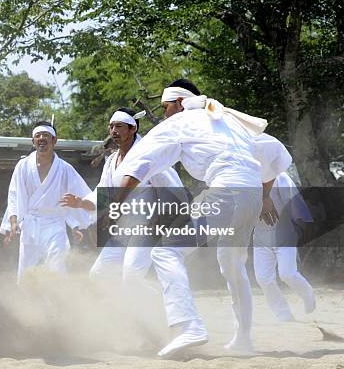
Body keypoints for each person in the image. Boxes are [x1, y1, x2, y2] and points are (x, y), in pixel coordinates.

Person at [114, 78, 275, 356]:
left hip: (227, 191)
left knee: (165, 253)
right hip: (251, 195)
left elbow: (142, 162)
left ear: (178, 103)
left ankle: (190, 326)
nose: (164, 114)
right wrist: (265, 195)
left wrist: (115, 204)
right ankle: (244, 340)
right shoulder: (225, 118)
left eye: (165, 107)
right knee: (234, 268)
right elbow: (270, 157)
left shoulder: (180, 122)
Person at [60, 107, 186, 281]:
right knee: (98, 275)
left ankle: (153, 305)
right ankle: (113, 308)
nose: (113, 131)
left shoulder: (148, 154)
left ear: (133, 128)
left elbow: (172, 188)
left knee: (131, 274)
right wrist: (81, 203)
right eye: (111, 127)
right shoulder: (112, 160)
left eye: (119, 126)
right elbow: (104, 195)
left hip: (146, 227)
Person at [0, 122, 93, 283]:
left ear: (54, 140)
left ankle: (58, 304)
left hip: (54, 225)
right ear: (33, 141)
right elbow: (14, 195)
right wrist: (13, 224)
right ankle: (27, 304)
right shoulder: (23, 166)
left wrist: (75, 225)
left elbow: (76, 195)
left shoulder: (65, 169)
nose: (41, 138)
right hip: (30, 224)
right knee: (26, 270)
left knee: (57, 268)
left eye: (46, 135)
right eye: (38, 136)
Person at [253, 171, 316, 321]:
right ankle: (283, 313)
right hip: (260, 237)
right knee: (263, 278)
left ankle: (307, 293)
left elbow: (294, 200)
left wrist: (303, 225)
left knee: (287, 274)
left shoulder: (280, 176)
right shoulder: (242, 177)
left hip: (283, 233)